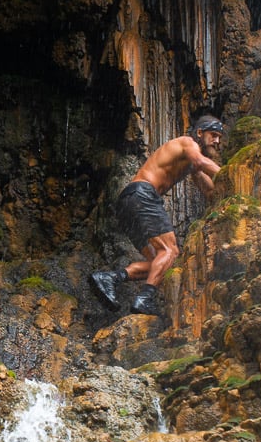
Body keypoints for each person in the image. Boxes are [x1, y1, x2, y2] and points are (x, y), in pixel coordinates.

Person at [90, 114, 223, 315]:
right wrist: (228, 174)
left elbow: (210, 191)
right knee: (171, 251)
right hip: (142, 194)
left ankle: (110, 278)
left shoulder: (191, 165)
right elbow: (202, 161)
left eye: (220, 137)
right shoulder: (187, 143)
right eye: (213, 135)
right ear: (199, 133)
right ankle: (145, 299)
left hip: (127, 204)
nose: (217, 141)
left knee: (158, 263)